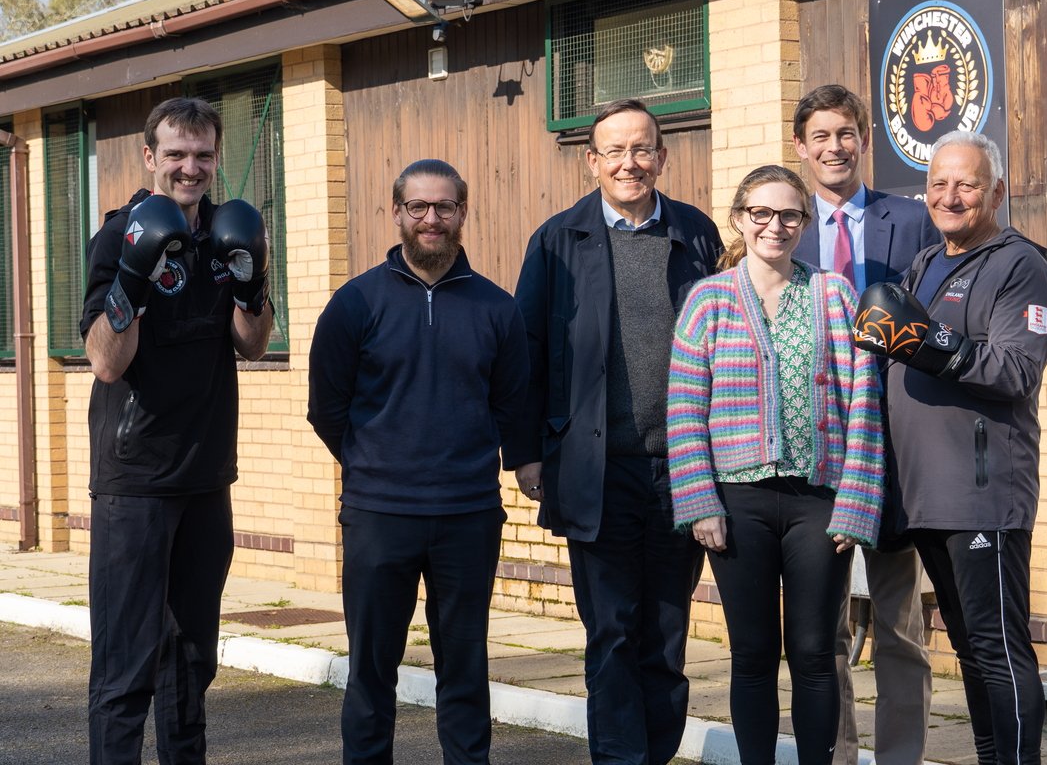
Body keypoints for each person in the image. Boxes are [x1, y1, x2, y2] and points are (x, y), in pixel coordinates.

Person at [506, 98, 723, 765]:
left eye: (642, 149)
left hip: (682, 471)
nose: (630, 163)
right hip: (595, 472)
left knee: (666, 638)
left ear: (663, 156)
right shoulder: (556, 240)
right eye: (615, 151)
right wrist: (526, 454)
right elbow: (526, 352)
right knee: (612, 636)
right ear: (591, 162)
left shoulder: (697, 233)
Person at [307, 159, 529, 765]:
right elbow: (327, 407)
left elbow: (511, 404)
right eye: (419, 207)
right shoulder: (355, 303)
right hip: (379, 515)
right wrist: (375, 463)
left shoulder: (496, 308)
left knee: (465, 667)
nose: (432, 218)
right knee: (371, 669)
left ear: (463, 213)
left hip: (468, 514)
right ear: (397, 213)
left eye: (444, 207)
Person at [667, 164, 885, 765]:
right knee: (753, 653)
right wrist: (699, 503)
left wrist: (857, 503)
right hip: (737, 505)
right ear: (739, 219)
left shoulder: (834, 295)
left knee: (815, 652)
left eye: (789, 214)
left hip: (819, 503)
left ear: (804, 223)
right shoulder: (708, 301)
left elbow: (863, 403)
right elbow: (684, 410)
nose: (775, 225)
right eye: (761, 213)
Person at [853, 131, 1047, 765]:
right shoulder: (926, 262)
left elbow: (1016, 370)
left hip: (982, 491)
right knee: (969, 648)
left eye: (966, 184)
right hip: (926, 492)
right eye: (938, 184)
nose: (950, 196)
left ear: (995, 193)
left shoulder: (1019, 265)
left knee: (999, 648)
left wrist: (926, 341)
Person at [81, 96, 274, 764]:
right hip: (134, 482)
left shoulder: (229, 229)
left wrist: (252, 282)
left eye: (202, 155)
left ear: (215, 159)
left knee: (192, 664)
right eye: (176, 154)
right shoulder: (118, 234)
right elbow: (106, 363)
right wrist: (132, 278)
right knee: (126, 665)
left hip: (205, 477)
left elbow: (252, 344)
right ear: (149, 157)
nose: (190, 167)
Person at [791, 84, 940, 765]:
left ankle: (901, 757)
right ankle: (838, 755)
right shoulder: (783, 226)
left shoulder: (910, 220)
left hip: (895, 447)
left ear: (865, 139)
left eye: (846, 133)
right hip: (816, 452)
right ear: (801, 147)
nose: (835, 147)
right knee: (820, 629)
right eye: (820, 136)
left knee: (900, 624)